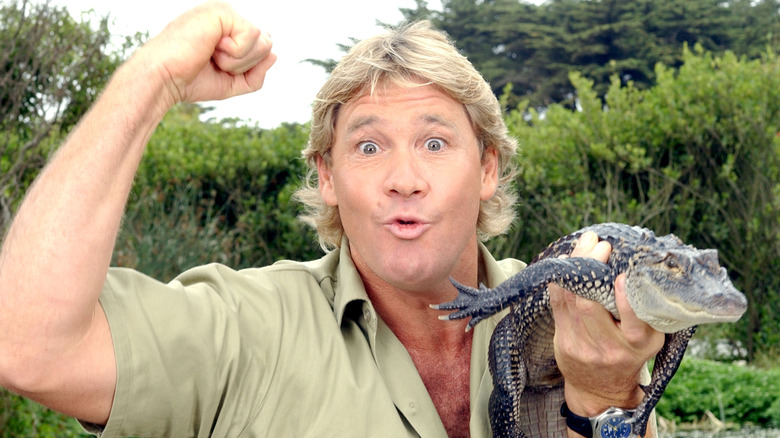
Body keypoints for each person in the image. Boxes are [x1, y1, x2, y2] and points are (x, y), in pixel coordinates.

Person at [0, 2, 665, 437]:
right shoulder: (244, 331)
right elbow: (26, 346)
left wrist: (601, 396)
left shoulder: (570, 312)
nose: (404, 178)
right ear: (327, 177)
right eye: (368, 146)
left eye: (435, 142)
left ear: (487, 166)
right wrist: (152, 77)